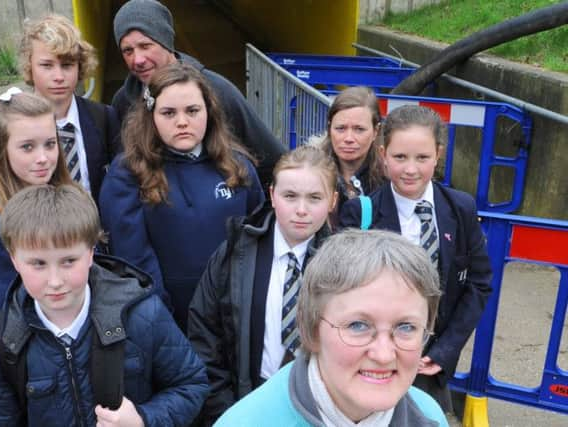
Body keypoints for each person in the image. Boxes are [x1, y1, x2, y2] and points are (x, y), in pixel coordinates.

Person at [0, 184, 209, 426]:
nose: (55, 281)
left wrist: (143, 419)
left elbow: (192, 384)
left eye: (68, 261)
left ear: (90, 254)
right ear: (14, 259)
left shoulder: (143, 313)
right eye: (38, 264)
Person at [340, 105, 492, 414]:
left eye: (422, 158)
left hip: (428, 365)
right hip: (375, 358)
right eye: (400, 157)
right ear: (383, 155)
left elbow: (479, 283)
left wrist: (445, 351)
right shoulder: (361, 213)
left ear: (437, 155)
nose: (411, 169)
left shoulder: (460, 208)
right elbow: (341, 291)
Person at [214, 229, 448, 426]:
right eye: (358, 325)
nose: (383, 354)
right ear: (311, 329)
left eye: (406, 327)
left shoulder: (429, 416)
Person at [100, 63, 265, 332]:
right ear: (151, 115)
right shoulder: (127, 174)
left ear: (209, 112)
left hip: (235, 313)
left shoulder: (238, 166)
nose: (182, 122)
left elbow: (258, 241)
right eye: (168, 113)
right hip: (168, 320)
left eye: (192, 111)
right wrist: (163, 322)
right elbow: (134, 263)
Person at [188, 145, 337, 425]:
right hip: (245, 401)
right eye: (290, 196)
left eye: (315, 198)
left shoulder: (345, 266)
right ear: (272, 195)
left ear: (332, 201)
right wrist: (226, 410)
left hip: (317, 409)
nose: (301, 210)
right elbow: (204, 334)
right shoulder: (235, 253)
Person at [111, 0, 285, 190]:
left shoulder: (218, 91)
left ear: (166, 42)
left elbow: (273, 160)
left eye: (145, 46)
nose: (138, 60)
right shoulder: (124, 101)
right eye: (127, 50)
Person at [0, 13, 121, 205]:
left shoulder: (103, 117)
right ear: (29, 66)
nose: (59, 76)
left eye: (67, 65)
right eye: (47, 65)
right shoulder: (7, 120)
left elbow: (122, 183)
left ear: (80, 67)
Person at [0, 88, 73, 320]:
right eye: (27, 147)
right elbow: (4, 317)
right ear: (1, 150)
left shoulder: (69, 197)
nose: (43, 158)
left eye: (50, 144)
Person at [316, 86, 386, 227]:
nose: (348, 138)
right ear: (329, 129)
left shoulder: (391, 180)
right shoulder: (310, 172)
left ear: (375, 131)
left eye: (359, 129)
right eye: (340, 128)